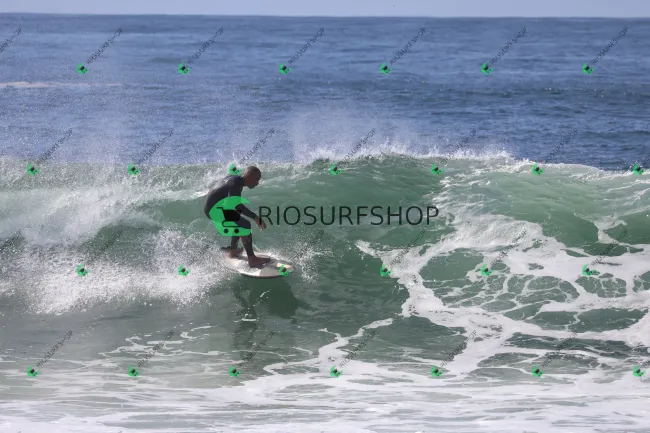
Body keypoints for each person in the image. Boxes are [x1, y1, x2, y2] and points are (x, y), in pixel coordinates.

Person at [204, 166, 270, 268]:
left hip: (214, 208)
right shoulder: (235, 183)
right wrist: (255, 218)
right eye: (257, 179)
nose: (257, 183)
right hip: (214, 210)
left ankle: (233, 250)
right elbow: (235, 206)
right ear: (249, 175)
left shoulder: (236, 180)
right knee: (245, 225)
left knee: (240, 222)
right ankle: (252, 259)